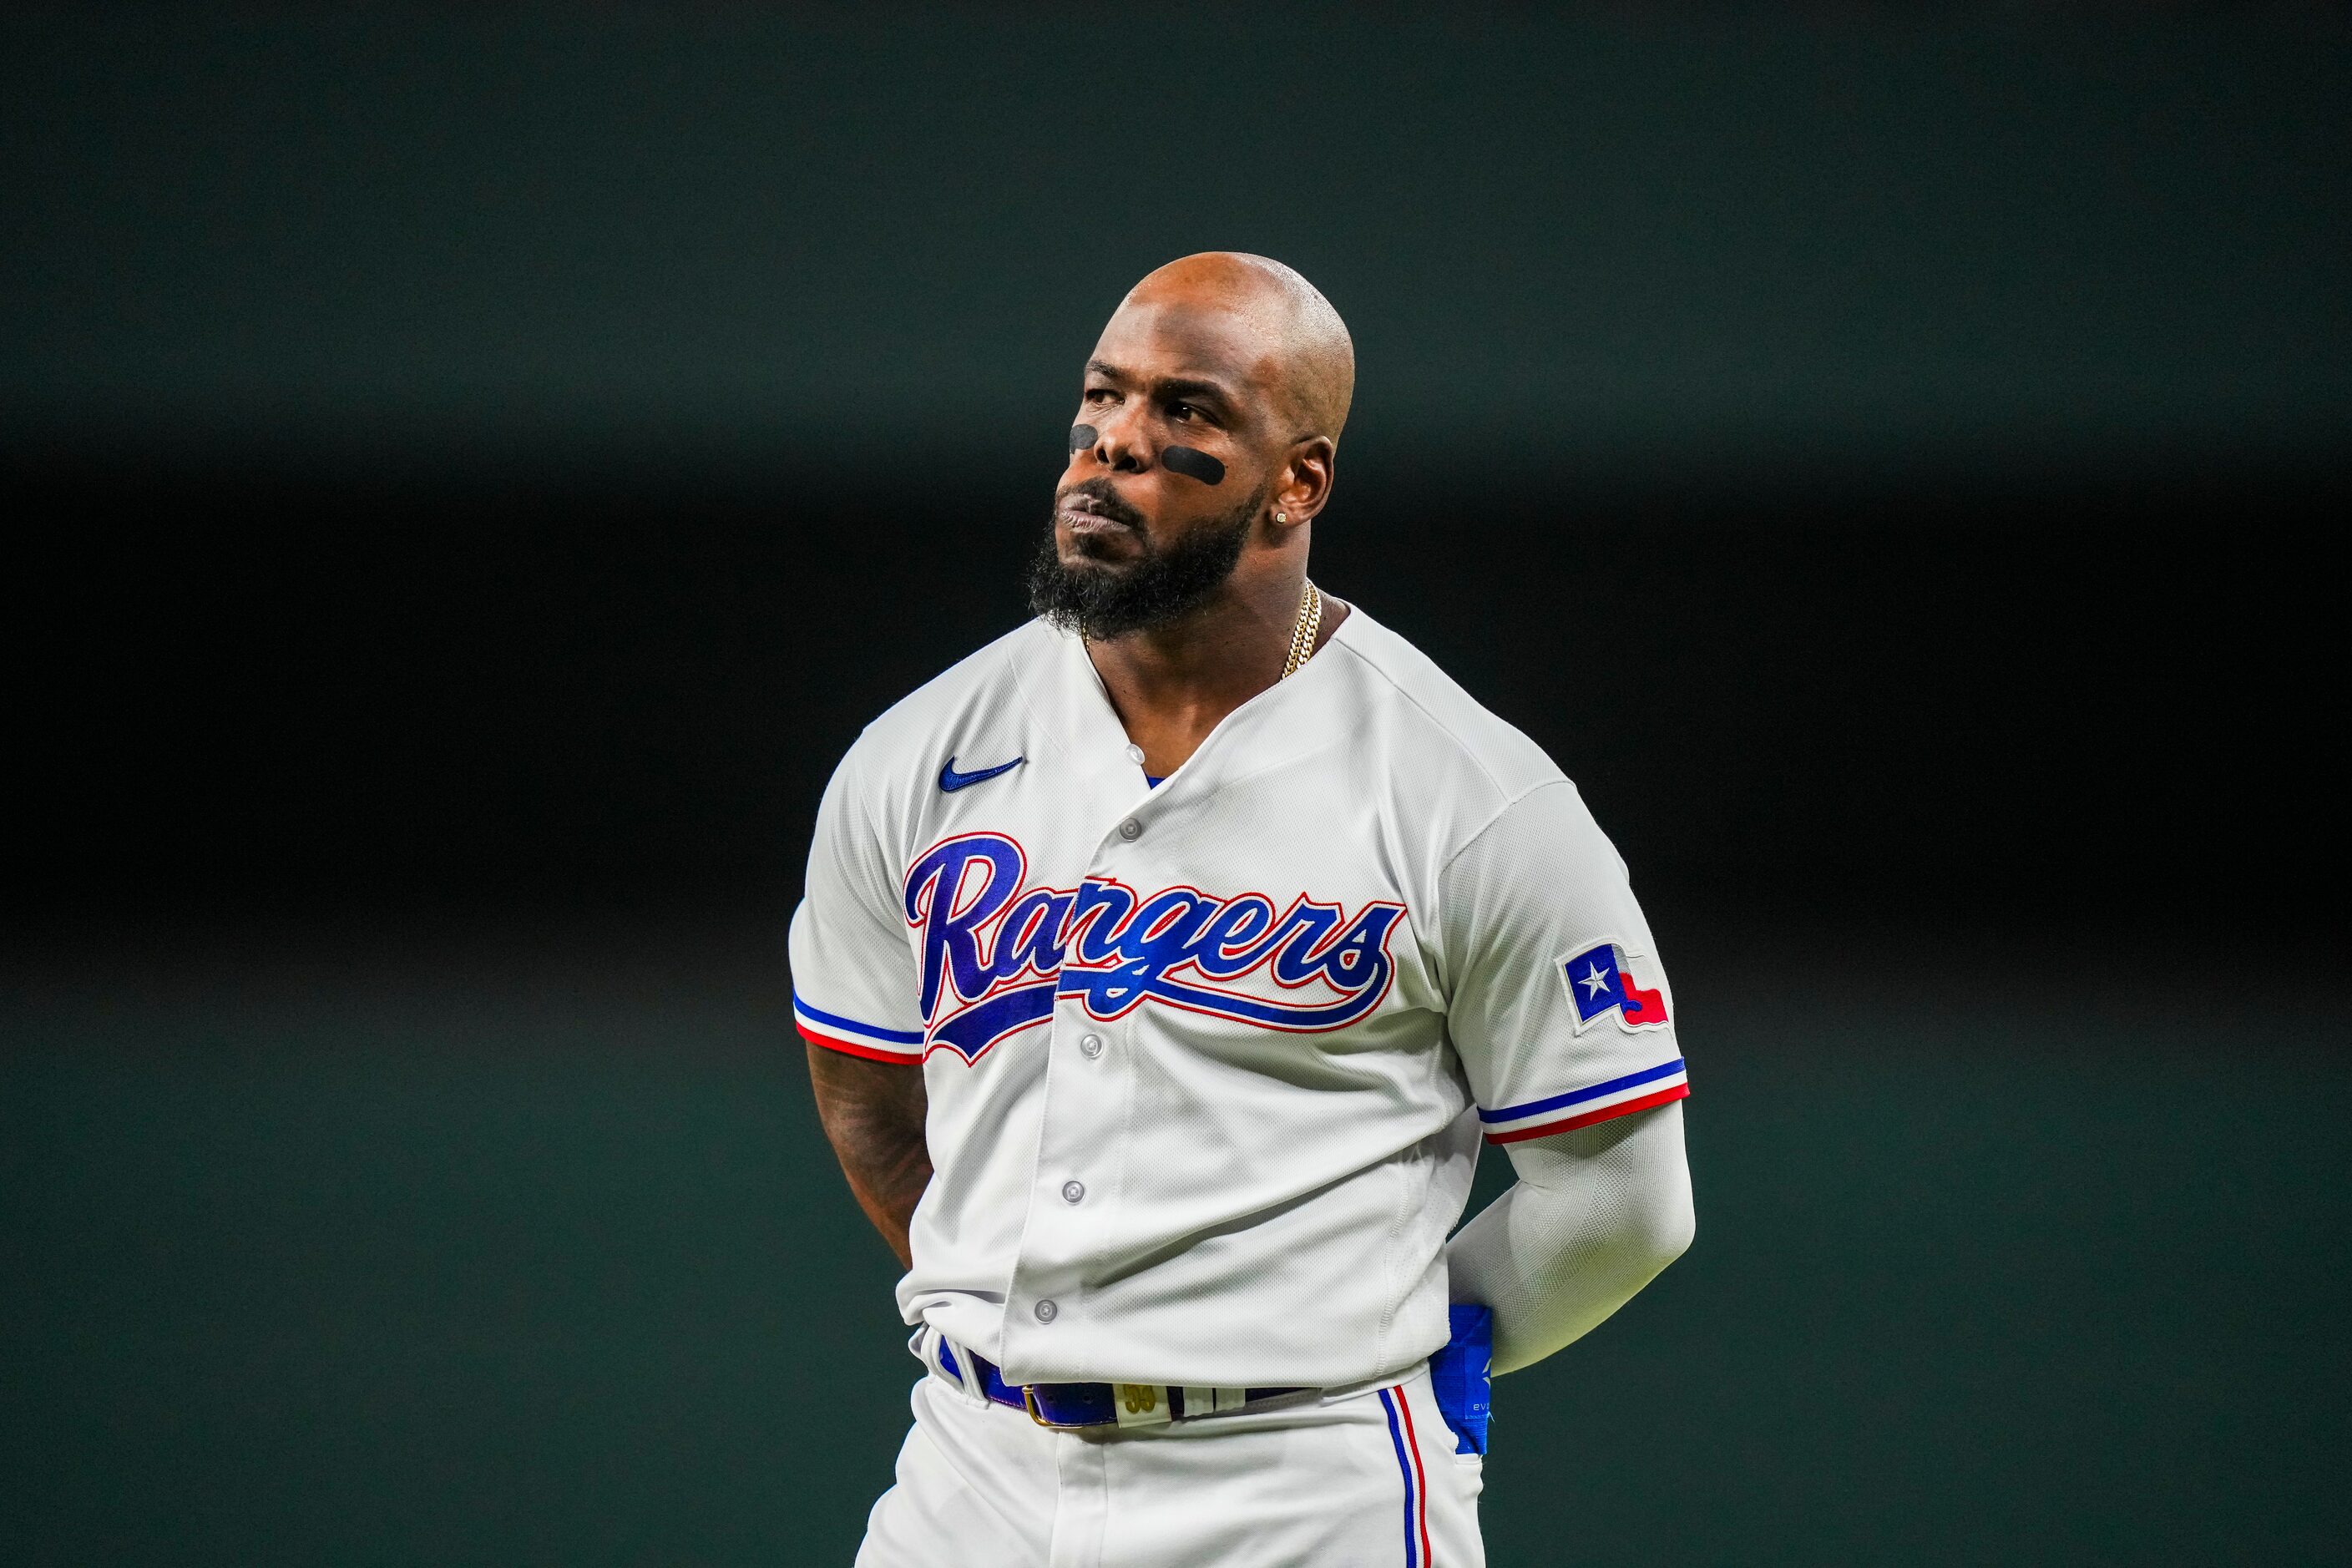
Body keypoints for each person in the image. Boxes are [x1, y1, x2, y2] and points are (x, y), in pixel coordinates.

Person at [792, 252, 1695, 1566]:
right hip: (971, 1476)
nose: (1115, 442)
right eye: (1100, 399)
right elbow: (866, 1098)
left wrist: (1373, 1327)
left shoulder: (1469, 790)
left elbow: (1620, 1197)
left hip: (1301, 1488)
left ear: (1297, 480)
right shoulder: (917, 755)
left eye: (1186, 412)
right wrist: (1042, 1318)